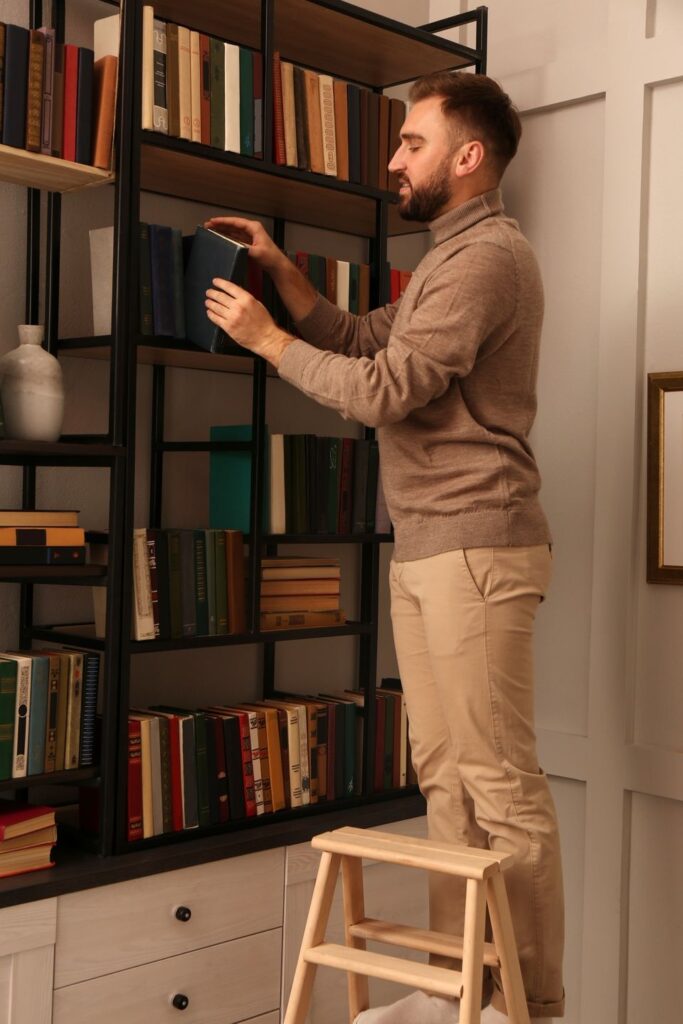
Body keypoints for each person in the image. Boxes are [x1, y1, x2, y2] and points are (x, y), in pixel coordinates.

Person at [204, 71, 565, 1024]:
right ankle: (465, 994)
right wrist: (282, 278)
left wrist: (266, 344)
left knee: (499, 788)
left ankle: (526, 1006)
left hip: (474, 548)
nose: (393, 159)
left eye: (410, 142)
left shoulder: (487, 258)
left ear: (466, 156)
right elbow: (372, 337)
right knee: (448, 782)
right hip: (432, 550)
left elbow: (385, 387)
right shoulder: (448, 258)